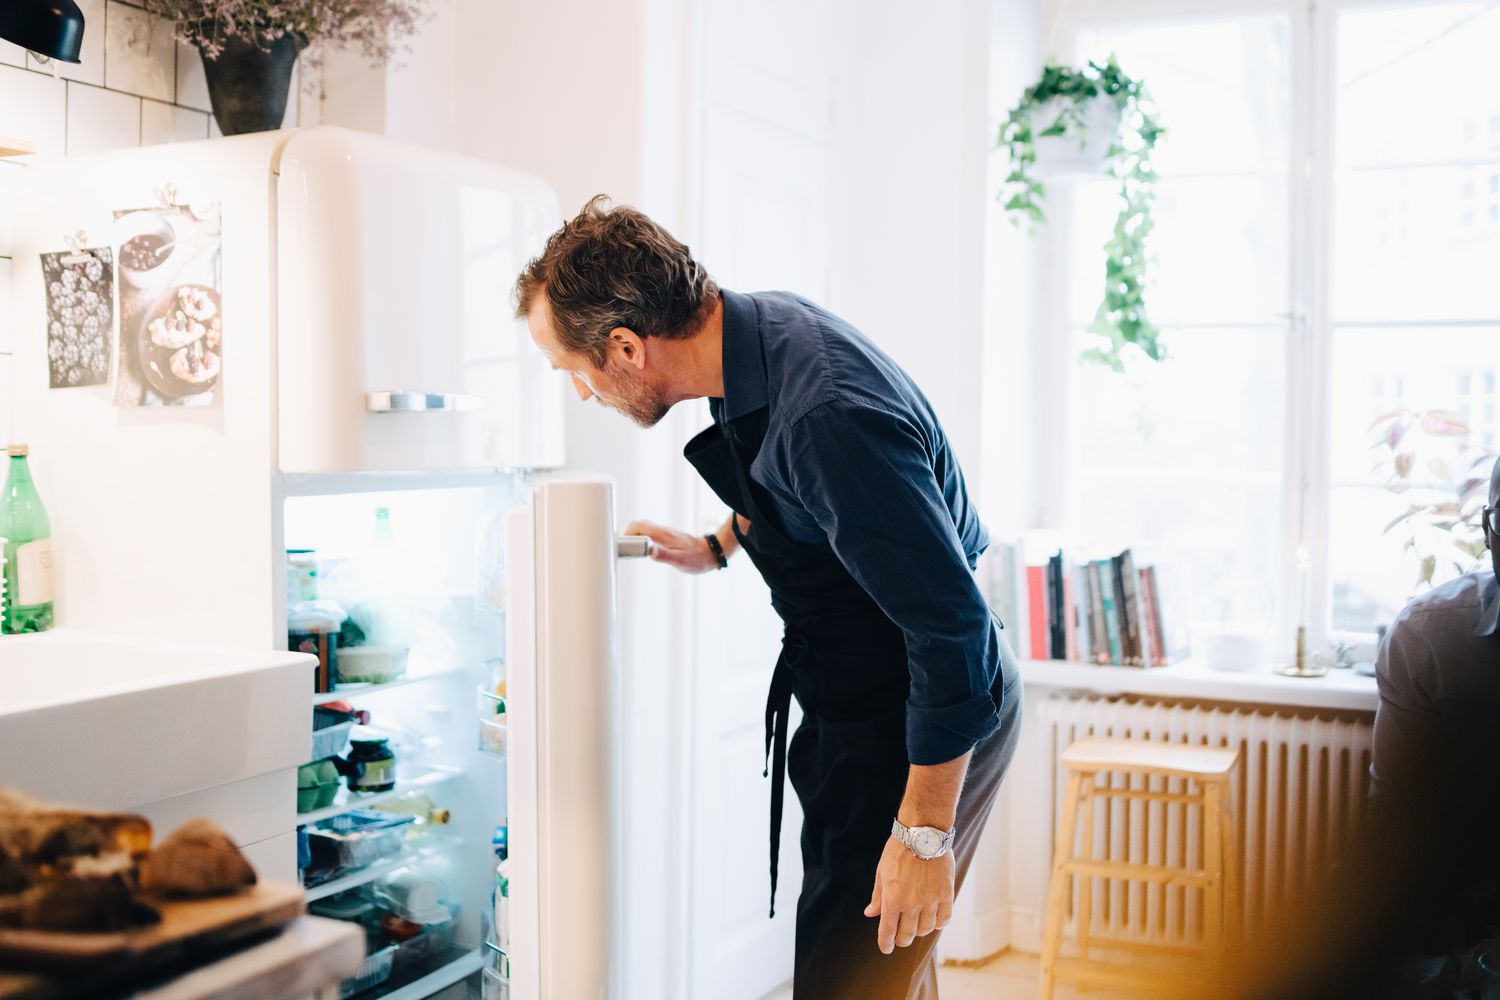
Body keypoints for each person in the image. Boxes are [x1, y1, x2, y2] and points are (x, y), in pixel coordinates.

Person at [514, 196, 1021, 1000]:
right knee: (878, 970)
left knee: (852, 977)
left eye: (575, 371)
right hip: (859, 701)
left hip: (922, 706)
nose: (583, 393)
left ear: (625, 346)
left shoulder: (828, 411)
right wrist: (716, 545)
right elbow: (796, 487)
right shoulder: (750, 339)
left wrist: (924, 836)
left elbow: (951, 629)